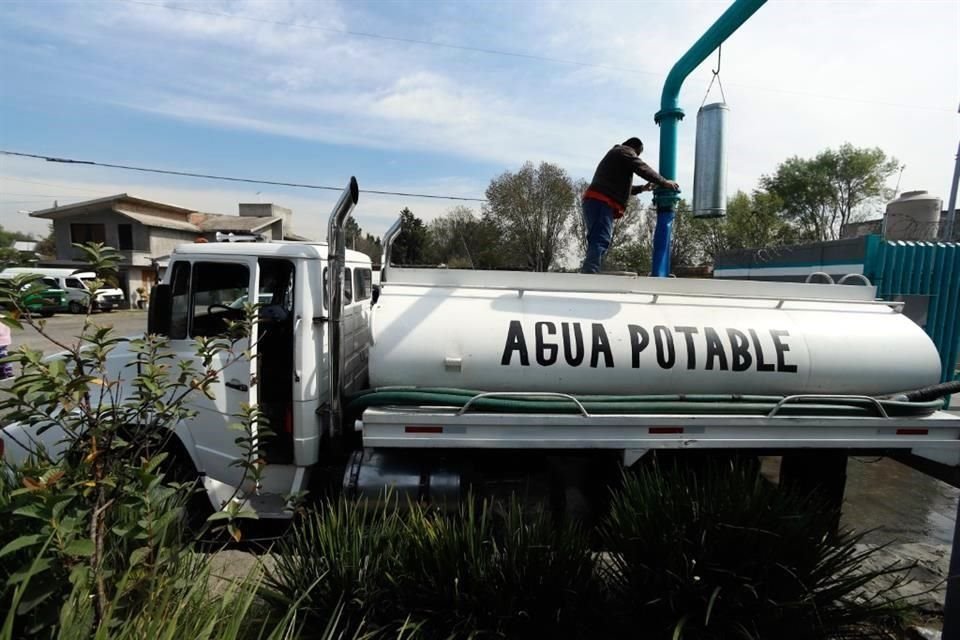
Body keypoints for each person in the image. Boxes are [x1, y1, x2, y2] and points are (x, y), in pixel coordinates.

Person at [581, 137, 679, 274]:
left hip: (596, 201)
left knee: (598, 238)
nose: (636, 156)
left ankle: (591, 271)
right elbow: (641, 168)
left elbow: (620, 188)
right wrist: (664, 182)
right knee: (600, 238)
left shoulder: (616, 155)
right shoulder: (624, 151)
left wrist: (642, 189)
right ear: (635, 148)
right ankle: (590, 273)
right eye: (638, 154)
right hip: (600, 202)